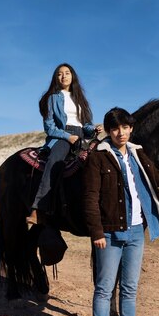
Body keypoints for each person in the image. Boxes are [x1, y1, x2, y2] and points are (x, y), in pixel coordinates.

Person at [83, 107, 159, 316]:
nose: (120, 132)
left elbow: (157, 178)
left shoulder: (137, 153)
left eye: (124, 127)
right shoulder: (98, 157)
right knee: (103, 290)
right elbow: (90, 198)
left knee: (130, 290)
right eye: (115, 128)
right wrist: (97, 232)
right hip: (109, 234)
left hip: (136, 232)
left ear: (131, 128)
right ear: (109, 130)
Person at [27, 64, 102, 225]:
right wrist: (68, 137)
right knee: (55, 162)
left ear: (72, 76)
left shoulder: (80, 99)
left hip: (82, 137)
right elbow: (49, 127)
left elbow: (86, 126)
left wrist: (94, 129)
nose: (64, 76)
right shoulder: (52, 98)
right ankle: (38, 208)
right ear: (56, 78)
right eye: (60, 74)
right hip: (63, 136)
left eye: (67, 73)